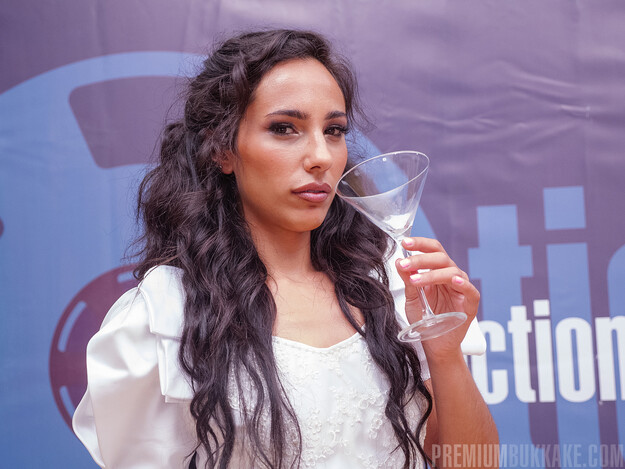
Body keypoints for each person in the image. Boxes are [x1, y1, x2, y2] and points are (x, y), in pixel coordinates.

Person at [73, 29, 498, 468]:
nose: (321, 156)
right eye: (284, 129)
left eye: (334, 131)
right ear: (222, 149)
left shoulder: (390, 283)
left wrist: (445, 355)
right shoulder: (167, 312)